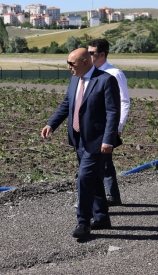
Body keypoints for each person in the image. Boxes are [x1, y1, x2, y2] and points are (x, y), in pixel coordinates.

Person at [41, 48, 120, 239]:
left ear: (85, 62)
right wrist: (51, 124)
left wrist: (108, 139)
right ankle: (101, 218)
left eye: (72, 64)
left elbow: (112, 112)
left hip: (97, 141)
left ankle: (83, 222)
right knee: (93, 179)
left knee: (84, 179)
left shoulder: (106, 80)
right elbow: (67, 105)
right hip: (79, 139)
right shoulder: (76, 79)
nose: (69, 68)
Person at [88, 38, 130, 206]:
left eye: (91, 53)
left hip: (107, 127)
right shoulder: (90, 72)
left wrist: (118, 126)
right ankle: (113, 196)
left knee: (97, 164)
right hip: (95, 126)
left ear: (102, 54)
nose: (88, 56)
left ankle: (92, 201)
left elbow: (124, 101)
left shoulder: (115, 74)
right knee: (105, 163)